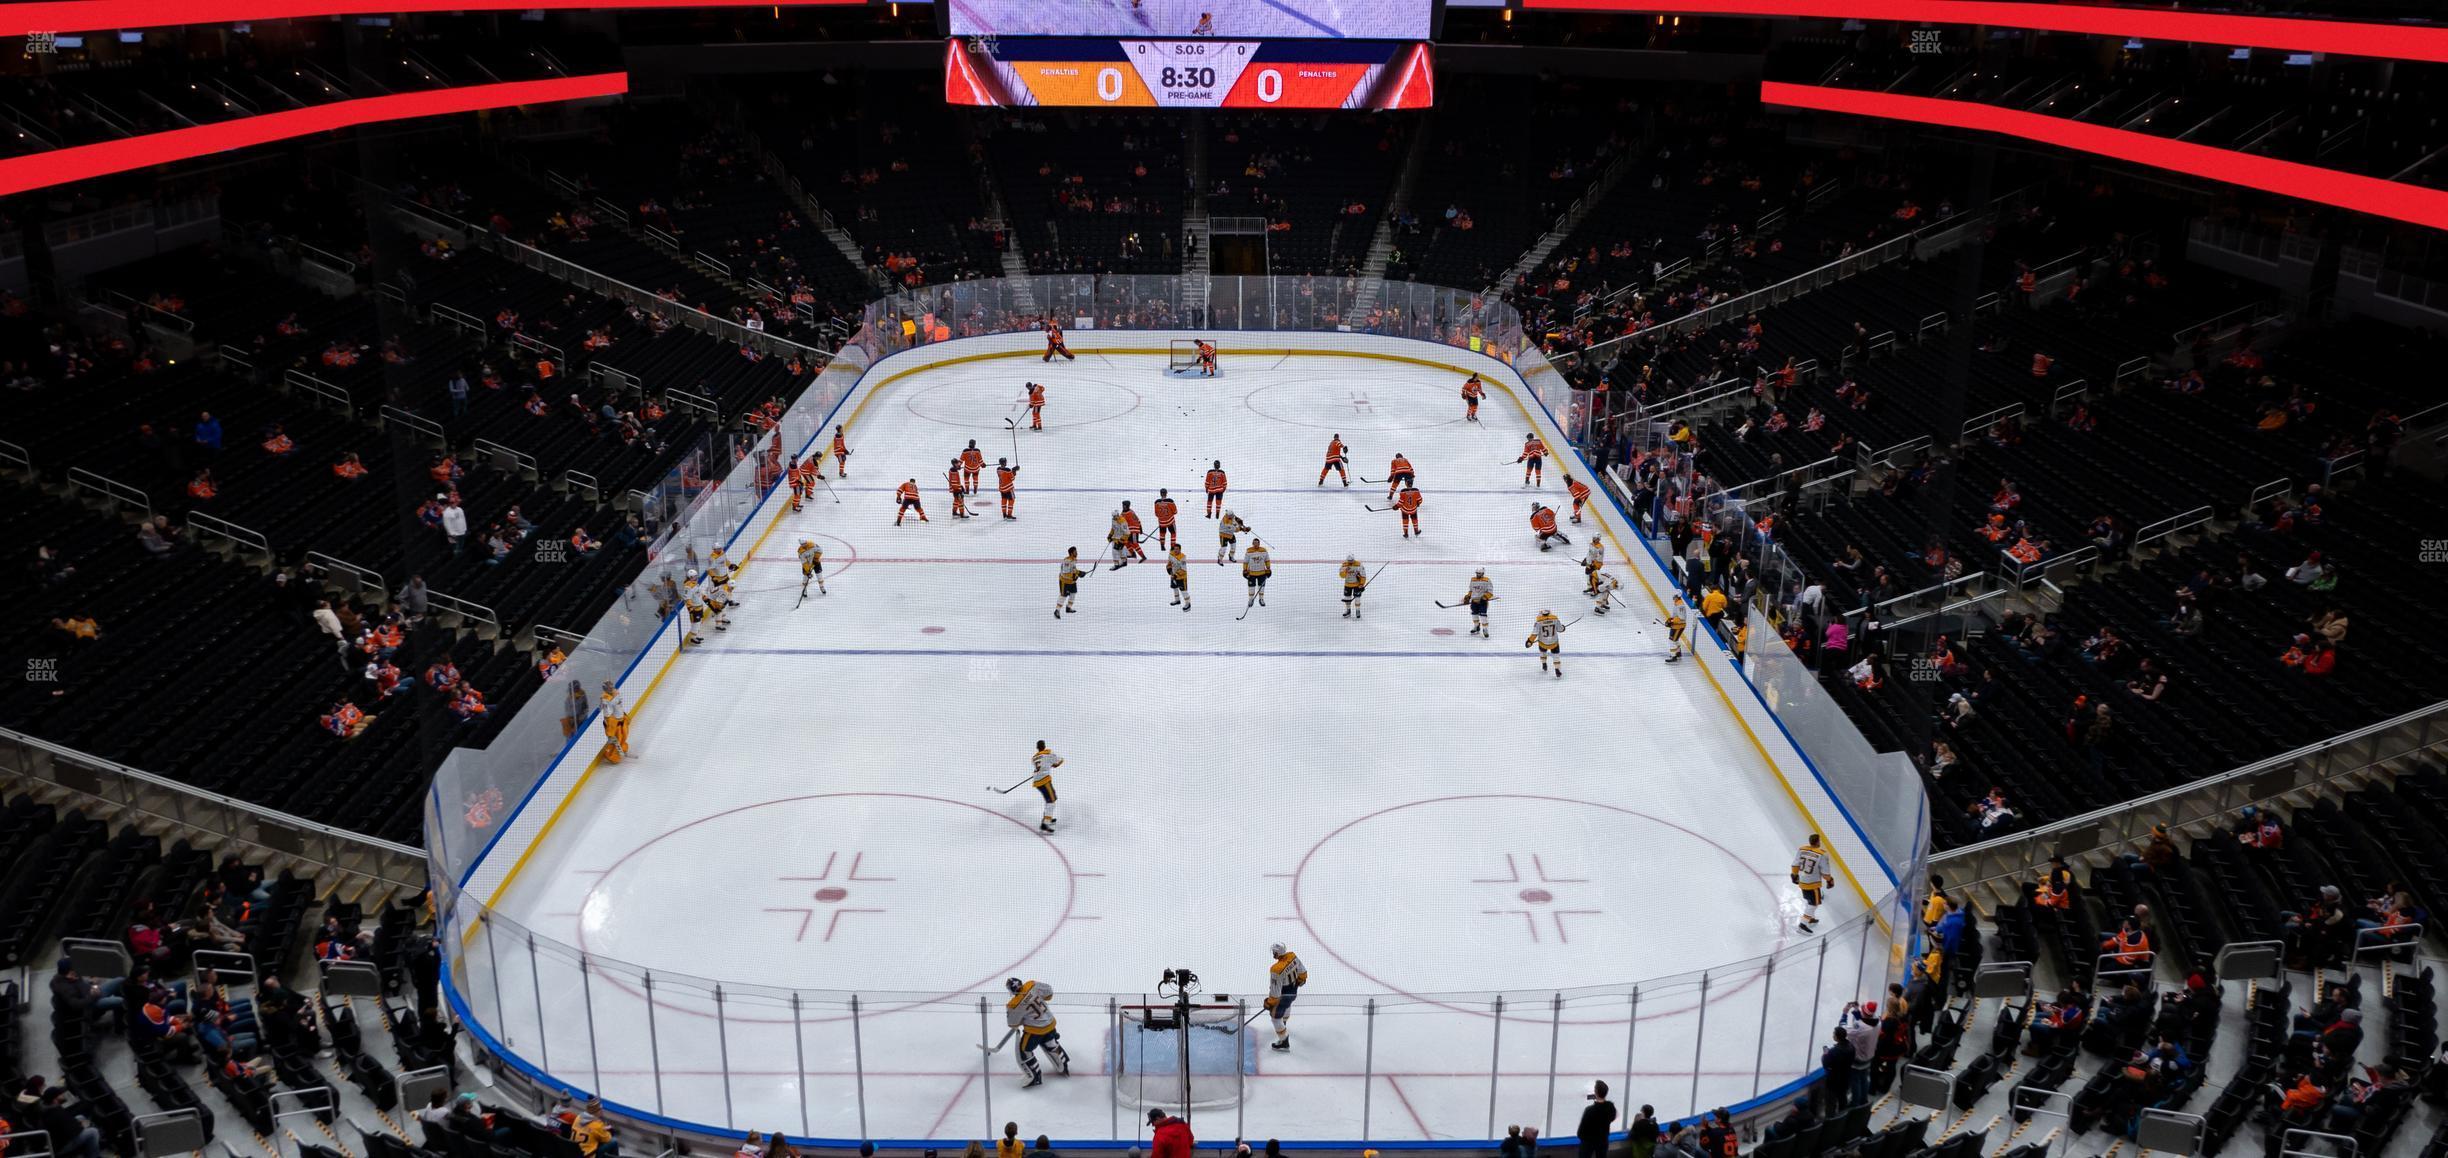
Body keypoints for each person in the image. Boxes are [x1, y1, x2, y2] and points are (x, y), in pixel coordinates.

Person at [1004, 977, 1073, 1086]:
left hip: (1035, 1031)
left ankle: (1034, 1076)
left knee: (1024, 1051)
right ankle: (1063, 1064)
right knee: (1050, 1041)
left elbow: (1013, 1024)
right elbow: (1049, 993)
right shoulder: (1032, 985)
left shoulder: (1013, 1004)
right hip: (1050, 1023)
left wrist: (1024, 1017)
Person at [1265, 943, 1307, 1051]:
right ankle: (1283, 1024)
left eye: (1274, 952)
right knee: (1287, 1004)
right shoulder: (1292, 956)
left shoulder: (1276, 969)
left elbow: (1275, 994)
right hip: (1293, 991)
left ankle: (1284, 1041)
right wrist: (1299, 981)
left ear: (1276, 954)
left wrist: (1269, 1003)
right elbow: (1303, 973)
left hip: (1283, 996)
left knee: (1275, 1018)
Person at [1792, 835, 1834, 933]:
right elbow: (1825, 873)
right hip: (1812, 883)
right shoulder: (1822, 854)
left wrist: (1794, 875)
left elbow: (1795, 864)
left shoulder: (1802, 849)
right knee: (1814, 904)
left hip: (1802, 880)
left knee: (1809, 900)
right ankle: (1803, 924)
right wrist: (1830, 880)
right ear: (1818, 842)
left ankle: (1810, 919)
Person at [1575, 1080, 1617, 1158]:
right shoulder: (1610, 1107)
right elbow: (1613, 1116)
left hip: (1589, 1141)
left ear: (1596, 1092)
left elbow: (1581, 1131)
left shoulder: (1590, 1110)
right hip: (1603, 1139)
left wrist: (1582, 1136)